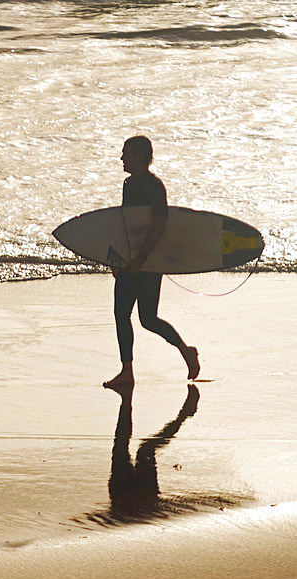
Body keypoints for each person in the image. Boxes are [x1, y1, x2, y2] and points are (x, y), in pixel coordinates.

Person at [103, 136, 200, 389]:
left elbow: (159, 225)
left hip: (148, 261)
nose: (122, 157)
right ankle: (127, 372)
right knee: (121, 315)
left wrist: (142, 258)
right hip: (130, 262)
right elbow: (127, 225)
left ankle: (186, 350)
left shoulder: (154, 187)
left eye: (126, 153)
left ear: (140, 156)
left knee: (148, 318)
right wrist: (119, 259)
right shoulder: (128, 185)